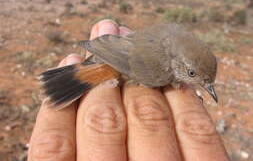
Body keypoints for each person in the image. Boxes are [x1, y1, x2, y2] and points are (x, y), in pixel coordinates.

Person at [28, 20, 229, 161]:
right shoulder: (163, 70)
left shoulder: (174, 36)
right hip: (113, 63)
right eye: (192, 74)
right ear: (178, 62)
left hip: (120, 48)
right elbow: (122, 61)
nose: (199, 83)